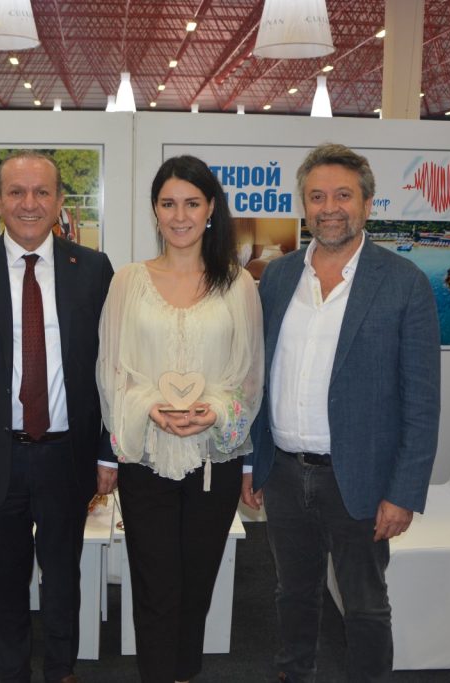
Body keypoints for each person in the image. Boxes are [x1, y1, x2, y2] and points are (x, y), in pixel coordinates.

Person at [243, 143, 441, 683]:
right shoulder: (278, 277)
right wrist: (253, 461)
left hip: (361, 479)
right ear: (304, 206)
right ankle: (295, 673)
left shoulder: (404, 283)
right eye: (317, 197)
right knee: (292, 592)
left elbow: (423, 400)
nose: (330, 207)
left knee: (366, 605)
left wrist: (403, 492)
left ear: (368, 204)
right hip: (285, 474)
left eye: (343, 196)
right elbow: (259, 376)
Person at [0, 150, 114, 683]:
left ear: (59, 201)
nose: (29, 203)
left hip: (67, 456)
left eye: (41, 192)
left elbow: (113, 371)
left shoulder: (93, 270)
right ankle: (9, 673)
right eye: (16, 192)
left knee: (63, 577)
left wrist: (108, 453)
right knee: (4, 580)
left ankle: (61, 670)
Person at [97, 155, 263, 683]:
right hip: (147, 458)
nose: (180, 215)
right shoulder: (128, 281)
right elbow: (112, 370)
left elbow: (249, 376)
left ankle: (185, 673)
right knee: (154, 584)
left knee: (197, 585)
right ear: (155, 210)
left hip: (214, 462)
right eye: (168, 203)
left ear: (211, 208)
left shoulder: (238, 285)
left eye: (192, 203)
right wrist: (150, 407)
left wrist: (215, 412)